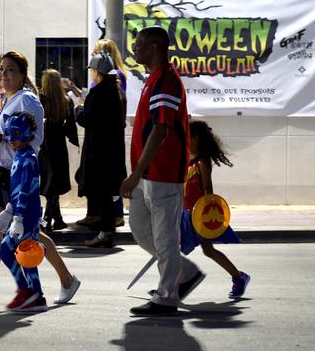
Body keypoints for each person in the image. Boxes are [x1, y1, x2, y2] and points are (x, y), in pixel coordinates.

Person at [0, 51, 80, 306]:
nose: (4, 74)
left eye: (11, 69)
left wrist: (3, 140)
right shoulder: (8, 100)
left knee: (25, 232)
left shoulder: (26, 100)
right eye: (2, 69)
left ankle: (54, 283)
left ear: (23, 74)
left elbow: (30, 138)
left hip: (14, 173)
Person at [120, 26, 202, 316]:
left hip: (163, 172)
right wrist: (138, 174)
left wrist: (135, 172)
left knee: (165, 236)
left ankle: (167, 296)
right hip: (147, 174)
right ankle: (185, 271)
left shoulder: (166, 81)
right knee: (141, 230)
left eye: (139, 44)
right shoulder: (153, 79)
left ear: (153, 48)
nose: (134, 48)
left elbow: (161, 131)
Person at [185, 120, 250, 298]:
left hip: (199, 215)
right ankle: (168, 287)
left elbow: (208, 189)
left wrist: (205, 214)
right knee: (177, 249)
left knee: (206, 250)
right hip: (186, 214)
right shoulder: (188, 160)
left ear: (196, 138)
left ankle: (239, 277)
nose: (185, 139)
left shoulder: (202, 161)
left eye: (187, 136)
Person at [0, 112, 47, 312]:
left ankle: (27, 291)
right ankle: (35, 294)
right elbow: (17, 189)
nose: (11, 139)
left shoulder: (29, 159)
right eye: (8, 134)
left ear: (27, 134)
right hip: (22, 214)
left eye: (15, 133)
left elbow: (27, 189)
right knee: (25, 255)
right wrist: (9, 209)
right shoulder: (20, 156)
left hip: (27, 216)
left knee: (10, 251)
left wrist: (17, 217)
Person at [75, 53, 127, 248]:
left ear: (97, 72)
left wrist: (78, 110)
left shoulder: (97, 94)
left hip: (98, 153)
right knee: (107, 194)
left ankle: (104, 233)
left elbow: (87, 120)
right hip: (112, 151)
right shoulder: (116, 92)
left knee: (103, 194)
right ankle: (106, 231)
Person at [38, 69, 78, 232]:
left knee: (50, 184)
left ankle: (47, 219)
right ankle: (58, 219)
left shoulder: (40, 100)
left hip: (45, 146)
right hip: (59, 146)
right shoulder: (66, 100)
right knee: (54, 184)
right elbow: (70, 126)